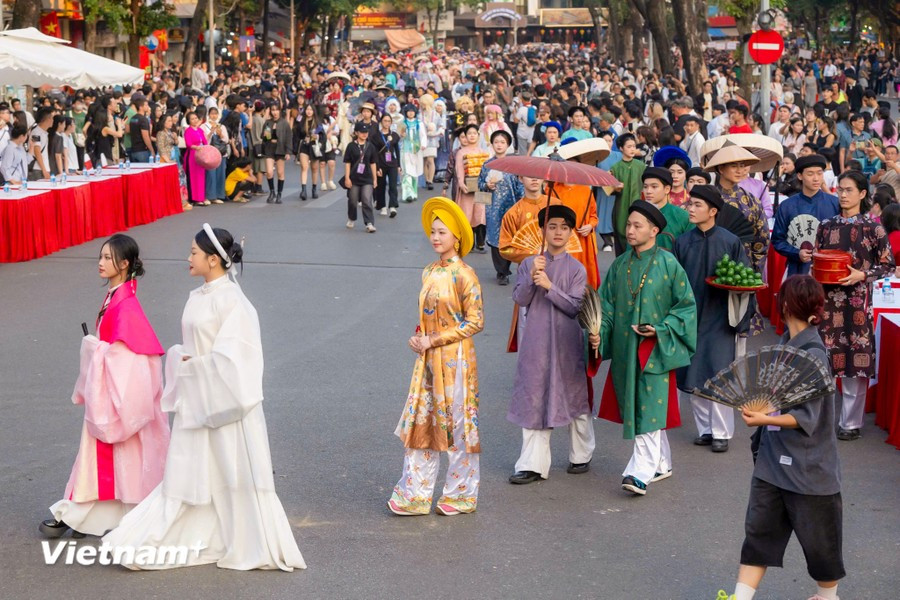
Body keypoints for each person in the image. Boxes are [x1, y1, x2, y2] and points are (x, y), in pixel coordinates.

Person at [102, 226, 306, 571]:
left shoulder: (234, 303)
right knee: (185, 473)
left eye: (194, 252)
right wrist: (183, 358)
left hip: (224, 407)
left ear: (214, 259)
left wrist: (193, 364)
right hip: (195, 400)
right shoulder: (198, 296)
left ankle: (234, 536)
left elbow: (238, 361)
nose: (188, 258)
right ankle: (179, 531)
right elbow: (194, 347)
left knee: (229, 472)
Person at [40, 234, 169, 538]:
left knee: (101, 459)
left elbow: (129, 360)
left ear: (124, 264)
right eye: (100, 257)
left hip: (116, 397)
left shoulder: (125, 306)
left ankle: (78, 513)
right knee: (119, 463)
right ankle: (83, 514)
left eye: (108, 258)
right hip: (112, 393)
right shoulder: (118, 296)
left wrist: (94, 351)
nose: (100, 263)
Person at [730, 275, 844, 600]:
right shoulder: (784, 343)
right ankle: (738, 598)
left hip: (809, 471)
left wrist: (765, 417)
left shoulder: (814, 356)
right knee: (758, 537)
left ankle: (827, 597)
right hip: (772, 464)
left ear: (789, 306)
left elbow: (806, 416)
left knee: (822, 547)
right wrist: (764, 409)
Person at [591, 200, 697, 496]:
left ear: (654, 230)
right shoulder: (620, 264)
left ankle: (640, 472)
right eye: (628, 225)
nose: (630, 230)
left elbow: (686, 307)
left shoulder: (668, 263)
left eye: (637, 226)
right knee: (643, 407)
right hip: (626, 349)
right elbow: (607, 306)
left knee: (647, 409)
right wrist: (600, 332)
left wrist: (660, 329)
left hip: (655, 349)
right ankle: (661, 463)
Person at [389, 198, 483, 516]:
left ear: (456, 236)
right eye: (432, 231)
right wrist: (419, 337)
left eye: (442, 232)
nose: (436, 237)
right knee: (424, 422)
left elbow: (475, 321)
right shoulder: (429, 270)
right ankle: (415, 494)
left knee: (457, 427)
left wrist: (435, 339)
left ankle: (461, 494)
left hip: (457, 361)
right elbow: (426, 314)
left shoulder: (465, 275)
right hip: (428, 361)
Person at [507, 205, 594, 484]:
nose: (558, 232)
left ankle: (581, 453)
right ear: (542, 230)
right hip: (535, 342)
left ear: (570, 233)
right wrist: (533, 276)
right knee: (534, 397)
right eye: (552, 226)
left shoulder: (577, 269)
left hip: (567, 343)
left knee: (573, 397)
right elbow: (520, 298)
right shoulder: (529, 263)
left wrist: (549, 285)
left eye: (564, 227)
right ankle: (532, 465)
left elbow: (574, 307)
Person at [815, 170, 895, 441]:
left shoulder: (874, 228)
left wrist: (863, 275)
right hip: (827, 302)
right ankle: (819, 419)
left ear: (862, 194)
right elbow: (817, 260)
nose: (843, 195)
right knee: (824, 358)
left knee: (855, 362)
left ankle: (850, 423)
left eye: (849, 190)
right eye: (840, 190)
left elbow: (888, 265)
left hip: (859, 303)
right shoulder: (826, 226)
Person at [673, 185, 753, 453]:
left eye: (696, 205)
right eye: (690, 204)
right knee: (693, 375)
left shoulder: (730, 241)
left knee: (719, 374)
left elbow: (747, 281)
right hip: (689, 316)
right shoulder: (682, 242)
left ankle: (721, 432)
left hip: (720, 317)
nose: (690, 209)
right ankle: (704, 429)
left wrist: (742, 321)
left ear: (713, 211)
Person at [772, 155, 841, 277]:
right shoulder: (787, 206)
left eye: (820, 173)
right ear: (799, 176)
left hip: (828, 269)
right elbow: (777, 240)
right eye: (810, 174)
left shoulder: (835, 203)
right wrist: (796, 252)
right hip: (796, 270)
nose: (816, 178)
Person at [479, 130, 524, 286]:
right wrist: (486, 185)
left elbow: (520, 186)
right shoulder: (487, 164)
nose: (499, 145)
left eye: (502, 142)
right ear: (492, 144)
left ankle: (507, 266)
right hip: (492, 207)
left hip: (511, 206)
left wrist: (523, 201)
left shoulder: (515, 165)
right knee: (494, 238)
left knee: (510, 238)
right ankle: (501, 271)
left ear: (508, 145)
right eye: (496, 142)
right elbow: (479, 184)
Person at [639, 167, 692, 251]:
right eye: (645, 187)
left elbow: (690, 250)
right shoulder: (638, 215)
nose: (648, 191)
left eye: (654, 186)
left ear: (667, 189)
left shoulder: (683, 217)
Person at [610, 133, 647, 254]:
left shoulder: (641, 166)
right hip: (621, 206)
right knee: (621, 233)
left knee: (638, 234)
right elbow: (608, 191)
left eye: (633, 146)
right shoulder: (615, 168)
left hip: (639, 205)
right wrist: (614, 187)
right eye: (629, 146)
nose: (632, 149)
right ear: (621, 148)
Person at [455, 123, 488, 251]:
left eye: (474, 133)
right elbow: (459, 169)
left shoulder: (485, 153)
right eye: (469, 134)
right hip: (468, 185)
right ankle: (469, 242)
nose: (472, 136)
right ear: (466, 137)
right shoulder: (461, 152)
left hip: (482, 185)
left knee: (481, 214)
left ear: (478, 136)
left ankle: (481, 242)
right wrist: (461, 183)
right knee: (467, 213)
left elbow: (488, 170)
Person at [343, 121, 378, 232]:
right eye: (362, 132)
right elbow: (347, 163)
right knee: (352, 200)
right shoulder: (351, 146)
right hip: (354, 178)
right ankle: (352, 217)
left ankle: (369, 223)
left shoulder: (370, 146)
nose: (364, 134)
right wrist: (347, 178)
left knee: (367, 200)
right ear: (356, 133)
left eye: (366, 132)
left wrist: (375, 179)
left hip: (367, 178)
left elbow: (373, 163)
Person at [373, 112, 401, 217]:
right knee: (381, 186)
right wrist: (376, 167)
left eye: (389, 121)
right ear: (381, 122)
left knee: (393, 185)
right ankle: (382, 206)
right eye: (385, 121)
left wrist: (399, 165)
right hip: (381, 163)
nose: (387, 123)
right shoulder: (376, 136)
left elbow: (397, 150)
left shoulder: (394, 135)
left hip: (392, 163)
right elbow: (374, 153)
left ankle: (392, 206)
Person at [262, 103, 291, 204]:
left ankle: (279, 194)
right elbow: (264, 137)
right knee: (269, 172)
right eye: (273, 110)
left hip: (280, 149)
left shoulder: (284, 123)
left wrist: (288, 151)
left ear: (279, 111)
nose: (275, 112)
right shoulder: (267, 122)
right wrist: (266, 134)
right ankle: (272, 192)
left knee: (280, 172)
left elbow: (288, 138)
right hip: (269, 148)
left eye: (276, 110)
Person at [399, 103, 427, 204]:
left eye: (412, 111)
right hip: (405, 150)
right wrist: (401, 136)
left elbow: (423, 135)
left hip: (416, 150)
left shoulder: (419, 123)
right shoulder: (402, 123)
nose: (410, 113)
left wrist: (423, 144)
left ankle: (414, 193)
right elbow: (399, 136)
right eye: (408, 111)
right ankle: (407, 194)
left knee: (415, 172)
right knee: (407, 172)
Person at [201, 107, 229, 204]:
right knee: (210, 175)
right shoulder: (203, 126)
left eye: (215, 114)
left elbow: (226, 140)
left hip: (221, 153)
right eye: (212, 114)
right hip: (210, 154)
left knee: (220, 174)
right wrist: (211, 132)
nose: (214, 116)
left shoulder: (221, 126)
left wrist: (220, 134)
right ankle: (210, 195)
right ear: (208, 115)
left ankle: (219, 195)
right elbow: (204, 141)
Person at [182, 110, 209, 206]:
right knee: (193, 177)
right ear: (189, 121)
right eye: (192, 119)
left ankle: (201, 197)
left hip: (201, 154)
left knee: (201, 176)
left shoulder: (200, 130)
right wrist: (197, 147)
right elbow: (188, 144)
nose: (194, 120)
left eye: (195, 118)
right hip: (192, 155)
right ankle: (194, 198)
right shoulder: (188, 131)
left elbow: (205, 142)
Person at [296, 104, 321, 200]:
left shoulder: (317, 123)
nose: (309, 111)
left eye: (311, 109)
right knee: (304, 167)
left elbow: (323, 136)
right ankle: (303, 190)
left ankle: (314, 189)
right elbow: (297, 134)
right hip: (304, 146)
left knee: (314, 168)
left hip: (314, 147)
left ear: (314, 111)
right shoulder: (301, 121)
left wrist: (317, 136)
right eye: (307, 109)